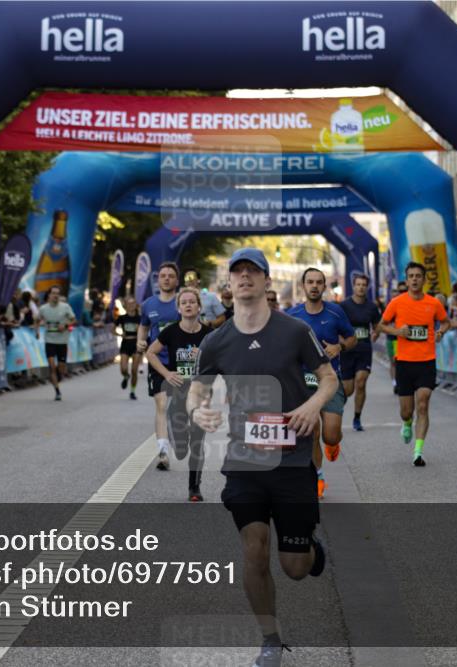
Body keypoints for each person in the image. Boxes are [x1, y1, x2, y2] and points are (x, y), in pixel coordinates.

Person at [187, 248, 334, 667]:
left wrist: (312, 407)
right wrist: (198, 409)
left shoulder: (294, 331)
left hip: (292, 461)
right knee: (254, 550)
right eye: (238, 272)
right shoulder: (215, 341)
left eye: (254, 271)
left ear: (267, 282)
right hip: (244, 461)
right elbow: (197, 389)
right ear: (229, 285)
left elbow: (327, 377)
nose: (245, 277)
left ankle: (308, 548)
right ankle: (270, 639)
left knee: (295, 568)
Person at [286, 267, 355, 498]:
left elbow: (352, 338)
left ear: (324, 286)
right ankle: (318, 475)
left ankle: (333, 444)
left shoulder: (336, 312)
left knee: (330, 435)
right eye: (310, 282)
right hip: (304, 382)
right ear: (304, 286)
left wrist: (340, 346)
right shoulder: (293, 315)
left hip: (330, 380)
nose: (314, 286)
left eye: (318, 282)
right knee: (312, 431)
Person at [378, 262, 450, 467]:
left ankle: (418, 452)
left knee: (423, 403)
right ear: (407, 279)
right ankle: (407, 423)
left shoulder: (433, 303)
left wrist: (441, 331)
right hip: (405, 363)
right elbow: (381, 325)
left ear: (424, 279)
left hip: (426, 361)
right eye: (411, 276)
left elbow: (445, 322)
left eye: (418, 275)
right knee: (406, 411)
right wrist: (397, 332)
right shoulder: (397, 302)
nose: (415, 279)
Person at [145, 287, 212, 501]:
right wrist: (166, 373)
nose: (189, 305)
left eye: (192, 302)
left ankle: (195, 488)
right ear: (179, 308)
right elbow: (150, 352)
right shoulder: (171, 331)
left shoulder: (208, 334)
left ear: (199, 306)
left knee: (198, 441)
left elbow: (221, 360)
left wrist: (203, 355)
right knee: (182, 447)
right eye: (184, 302)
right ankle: (178, 443)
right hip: (178, 392)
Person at [137, 262, 181, 470]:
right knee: (162, 405)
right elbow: (144, 326)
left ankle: (173, 436)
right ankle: (163, 451)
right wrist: (140, 341)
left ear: (176, 280)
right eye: (163, 275)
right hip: (157, 361)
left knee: (177, 409)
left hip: (181, 363)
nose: (166, 279)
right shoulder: (149, 304)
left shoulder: (183, 303)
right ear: (158, 279)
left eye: (170, 276)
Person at [339, 274, 380, 432]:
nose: (361, 287)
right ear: (353, 286)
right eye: (358, 284)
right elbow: (336, 325)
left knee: (361, 382)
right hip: (347, 351)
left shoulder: (371, 307)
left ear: (367, 287)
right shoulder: (344, 306)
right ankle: (336, 411)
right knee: (348, 389)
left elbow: (377, 325)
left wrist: (376, 333)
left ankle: (357, 418)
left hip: (364, 350)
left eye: (364, 284)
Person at [37, 285, 76, 400]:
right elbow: (37, 320)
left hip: (62, 342)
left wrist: (66, 325)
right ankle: (57, 391)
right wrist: (37, 331)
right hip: (49, 341)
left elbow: (74, 320)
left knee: (61, 368)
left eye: (57, 293)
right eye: (53, 293)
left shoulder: (65, 307)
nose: (56, 295)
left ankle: (58, 377)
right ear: (49, 295)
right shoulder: (43, 308)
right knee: (52, 366)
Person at [115, 296, 142, 399]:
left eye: (133, 304)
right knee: (123, 369)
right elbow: (112, 329)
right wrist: (119, 334)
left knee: (134, 370)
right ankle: (126, 376)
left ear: (136, 305)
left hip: (136, 344)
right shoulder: (122, 318)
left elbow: (145, 330)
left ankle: (132, 391)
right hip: (125, 344)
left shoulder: (139, 318)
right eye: (129, 304)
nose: (131, 306)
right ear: (125, 306)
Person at [384, 281, 408, 393]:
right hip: (392, 339)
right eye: (400, 291)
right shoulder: (392, 305)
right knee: (393, 362)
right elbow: (383, 323)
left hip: (404, 339)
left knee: (403, 363)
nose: (402, 293)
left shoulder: (409, 304)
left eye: (404, 291)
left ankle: (402, 382)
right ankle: (395, 383)